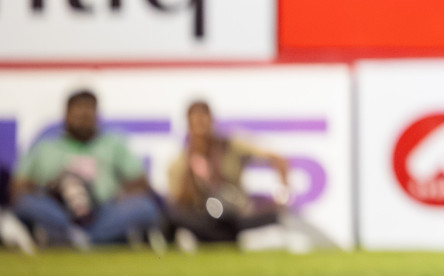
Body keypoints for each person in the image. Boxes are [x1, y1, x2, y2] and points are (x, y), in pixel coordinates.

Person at [9, 90, 164, 250]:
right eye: (78, 117)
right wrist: (52, 189)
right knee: (25, 203)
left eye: (87, 117)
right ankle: (87, 237)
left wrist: (121, 194)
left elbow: (139, 181)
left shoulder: (113, 144)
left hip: (103, 210)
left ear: (96, 116)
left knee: (145, 207)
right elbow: (20, 185)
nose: (83, 122)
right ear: (66, 115)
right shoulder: (46, 147)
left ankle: (79, 239)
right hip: (59, 211)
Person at [164, 100, 290, 252]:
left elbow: (277, 159)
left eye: (204, 123)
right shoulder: (180, 163)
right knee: (179, 217)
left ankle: (224, 238)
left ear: (211, 122)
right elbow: (179, 202)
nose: (200, 130)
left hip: (234, 212)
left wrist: (282, 194)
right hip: (204, 217)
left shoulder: (230, 146)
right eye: (195, 125)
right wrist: (193, 178)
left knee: (266, 216)